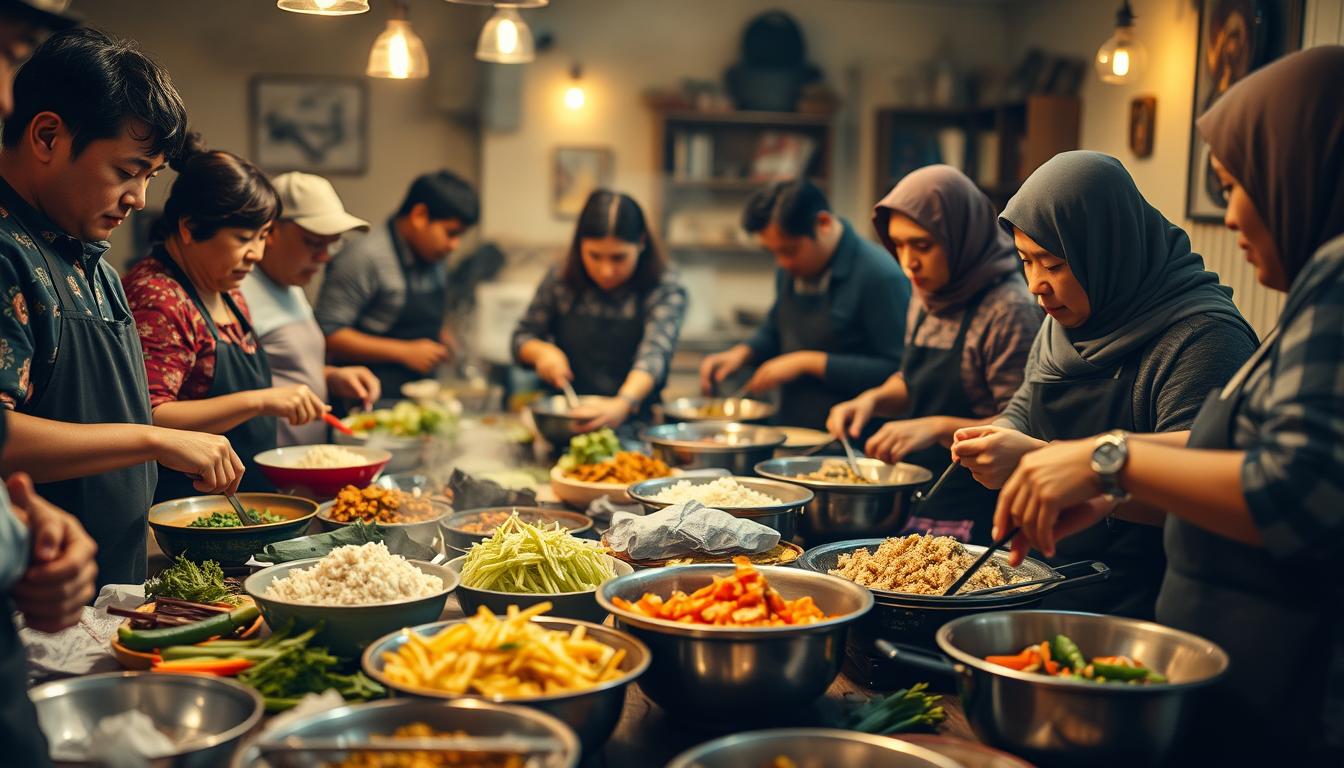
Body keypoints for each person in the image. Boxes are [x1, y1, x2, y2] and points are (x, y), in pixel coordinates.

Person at [986, 48, 1344, 760]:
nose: (1231, 211)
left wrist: (1104, 461)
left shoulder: (1262, 312)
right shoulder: (1317, 289)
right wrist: (1096, 469)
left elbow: (1292, 487)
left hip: (1277, 701)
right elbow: (1239, 455)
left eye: (1238, 185)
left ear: (1301, 174)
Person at [949, 151, 1259, 618]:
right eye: (1025, 261)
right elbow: (1024, 406)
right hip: (1042, 575)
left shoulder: (1201, 339)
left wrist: (1039, 457)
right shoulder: (1069, 319)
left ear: (1106, 249)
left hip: (1138, 601)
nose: (1035, 285)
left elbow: (1204, 487)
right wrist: (995, 438)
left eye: (1052, 265)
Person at [0, 27, 241, 588]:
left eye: (149, 177)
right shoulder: (7, 253)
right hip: (35, 596)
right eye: (126, 172)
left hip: (112, 584)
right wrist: (156, 438)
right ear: (46, 137)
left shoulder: (95, 265)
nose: (139, 199)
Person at [826, 165, 1041, 544]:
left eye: (922, 245)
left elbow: (1024, 424)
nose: (908, 261)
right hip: (924, 495)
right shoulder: (928, 293)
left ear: (961, 236)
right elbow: (912, 380)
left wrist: (937, 427)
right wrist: (871, 400)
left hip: (981, 507)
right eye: (899, 245)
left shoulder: (1008, 309)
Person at [0, 7, 103, 765]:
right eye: (9, 53)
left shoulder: (81, 249)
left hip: (92, 590)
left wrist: (19, 525)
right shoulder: (7, 249)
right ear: (45, 136)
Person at [124, 139, 327, 502]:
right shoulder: (158, 297)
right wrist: (260, 401)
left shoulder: (228, 288)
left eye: (263, 237)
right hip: (184, 505)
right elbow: (150, 416)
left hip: (245, 495)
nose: (257, 254)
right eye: (243, 238)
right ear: (189, 228)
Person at [699, 180, 911, 430]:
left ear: (823, 223)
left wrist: (807, 363)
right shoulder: (792, 269)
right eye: (773, 252)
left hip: (852, 442)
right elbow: (776, 328)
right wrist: (743, 353)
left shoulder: (880, 276)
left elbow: (897, 371)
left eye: (789, 250)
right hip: (793, 429)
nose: (782, 263)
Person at [512, 190, 687, 432]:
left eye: (618, 258)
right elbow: (521, 337)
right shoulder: (560, 279)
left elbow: (654, 355)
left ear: (642, 243)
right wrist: (542, 353)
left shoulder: (663, 285)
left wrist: (623, 403)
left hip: (635, 424)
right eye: (594, 256)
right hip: (566, 422)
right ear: (579, 245)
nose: (606, 270)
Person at [240, 172, 380, 446]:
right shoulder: (239, 290)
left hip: (303, 460)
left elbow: (282, 371)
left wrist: (332, 377)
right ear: (270, 231)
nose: (325, 256)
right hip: (266, 464)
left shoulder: (290, 284)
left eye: (333, 243)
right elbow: (237, 388)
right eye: (313, 242)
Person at [315, 170, 479, 398]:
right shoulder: (364, 258)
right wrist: (404, 352)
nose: (454, 245)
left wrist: (441, 336)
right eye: (450, 233)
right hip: (367, 399)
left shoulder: (434, 255)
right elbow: (328, 333)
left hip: (420, 396)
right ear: (420, 215)